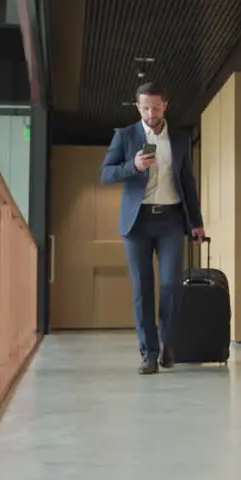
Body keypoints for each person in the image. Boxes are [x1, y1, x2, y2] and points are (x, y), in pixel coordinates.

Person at [100, 82, 205, 374]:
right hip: (137, 223)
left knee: (171, 285)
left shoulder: (181, 138)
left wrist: (196, 222)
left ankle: (168, 342)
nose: (150, 113)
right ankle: (149, 353)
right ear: (138, 107)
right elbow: (106, 174)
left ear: (165, 106)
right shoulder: (125, 136)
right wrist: (132, 165)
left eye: (156, 107)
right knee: (142, 289)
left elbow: (188, 183)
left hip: (171, 220)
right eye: (145, 107)